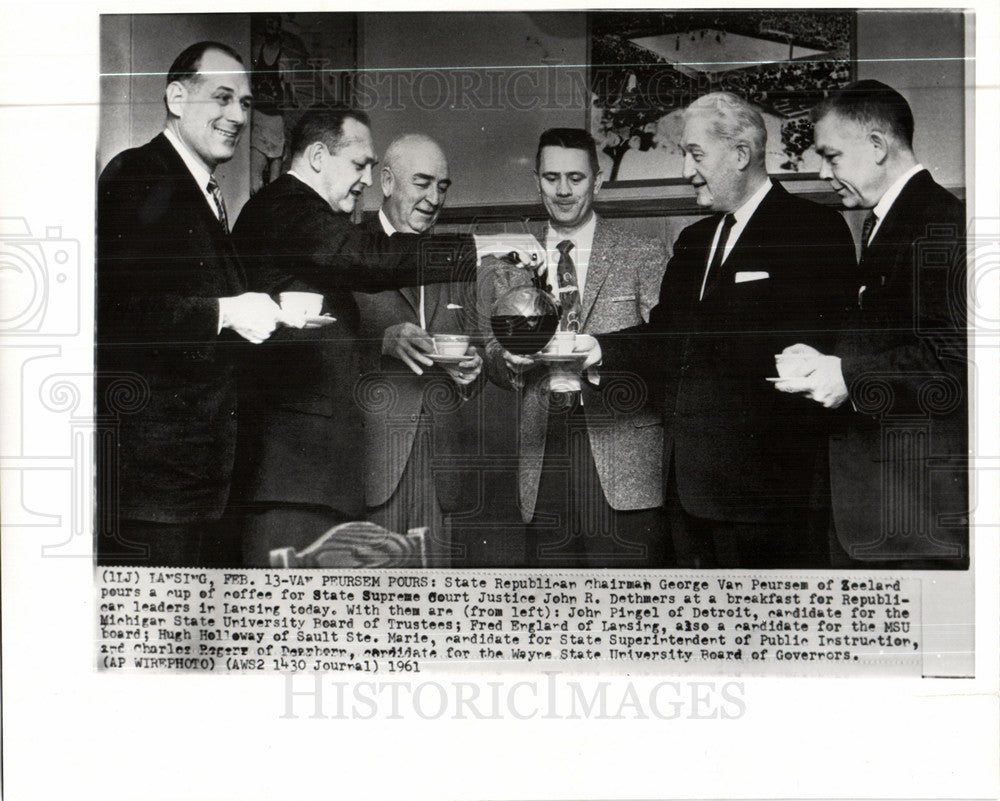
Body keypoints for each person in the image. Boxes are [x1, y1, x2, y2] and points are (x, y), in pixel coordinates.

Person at [231, 109, 542, 566]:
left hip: (353, 477)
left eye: (443, 186)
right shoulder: (294, 209)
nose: (364, 179)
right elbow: (368, 258)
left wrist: (485, 364)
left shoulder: (307, 217)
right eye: (360, 165)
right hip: (303, 476)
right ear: (318, 156)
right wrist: (484, 245)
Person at [581, 92, 859, 568]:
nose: (688, 170)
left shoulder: (813, 230)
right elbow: (668, 336)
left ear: (740, 154)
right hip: (688, 497)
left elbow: (823, 355)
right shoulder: (693, 241)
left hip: (770, 502)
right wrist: (596, 348)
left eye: (696, 154)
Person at [97, 42, 283, 566]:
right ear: (177, 97)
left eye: (245, 103)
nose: (237, 116)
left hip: (198, 490)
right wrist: (226, 313)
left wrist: (253, 313)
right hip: (154, 496)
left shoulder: (202, 187)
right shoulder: (138, 175)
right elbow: (111, 316)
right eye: (222, 98)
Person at [773, 80, 968, 568]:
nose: (823, 173)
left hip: (913, 512)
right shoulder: (888, 218)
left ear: (877, 146)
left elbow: (954, 360)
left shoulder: (940, 222)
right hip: (879, 507)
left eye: (832, 156)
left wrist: (849, 377)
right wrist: (828, 363)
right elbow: (900, 336)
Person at [481, 128, 669, 567]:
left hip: (623, 456)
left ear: (598, 181)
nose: (563, 191)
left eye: (576, 178)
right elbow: (491, 351)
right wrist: (505, 359)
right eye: (551, 178)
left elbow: (666, 348)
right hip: (542, 453)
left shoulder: (641, 253)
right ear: (537, 180)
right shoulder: (513, 260)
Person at [354, 134, 483, 567]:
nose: (433, 199)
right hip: (371, 466)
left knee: (436, 612)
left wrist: (473, 368)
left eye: (442, 187)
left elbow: (479, 350)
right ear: (386, 183)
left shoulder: (455, 258)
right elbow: (319, 346)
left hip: (443, 470)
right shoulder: (348, 251)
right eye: (422, 183)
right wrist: (382, 340)